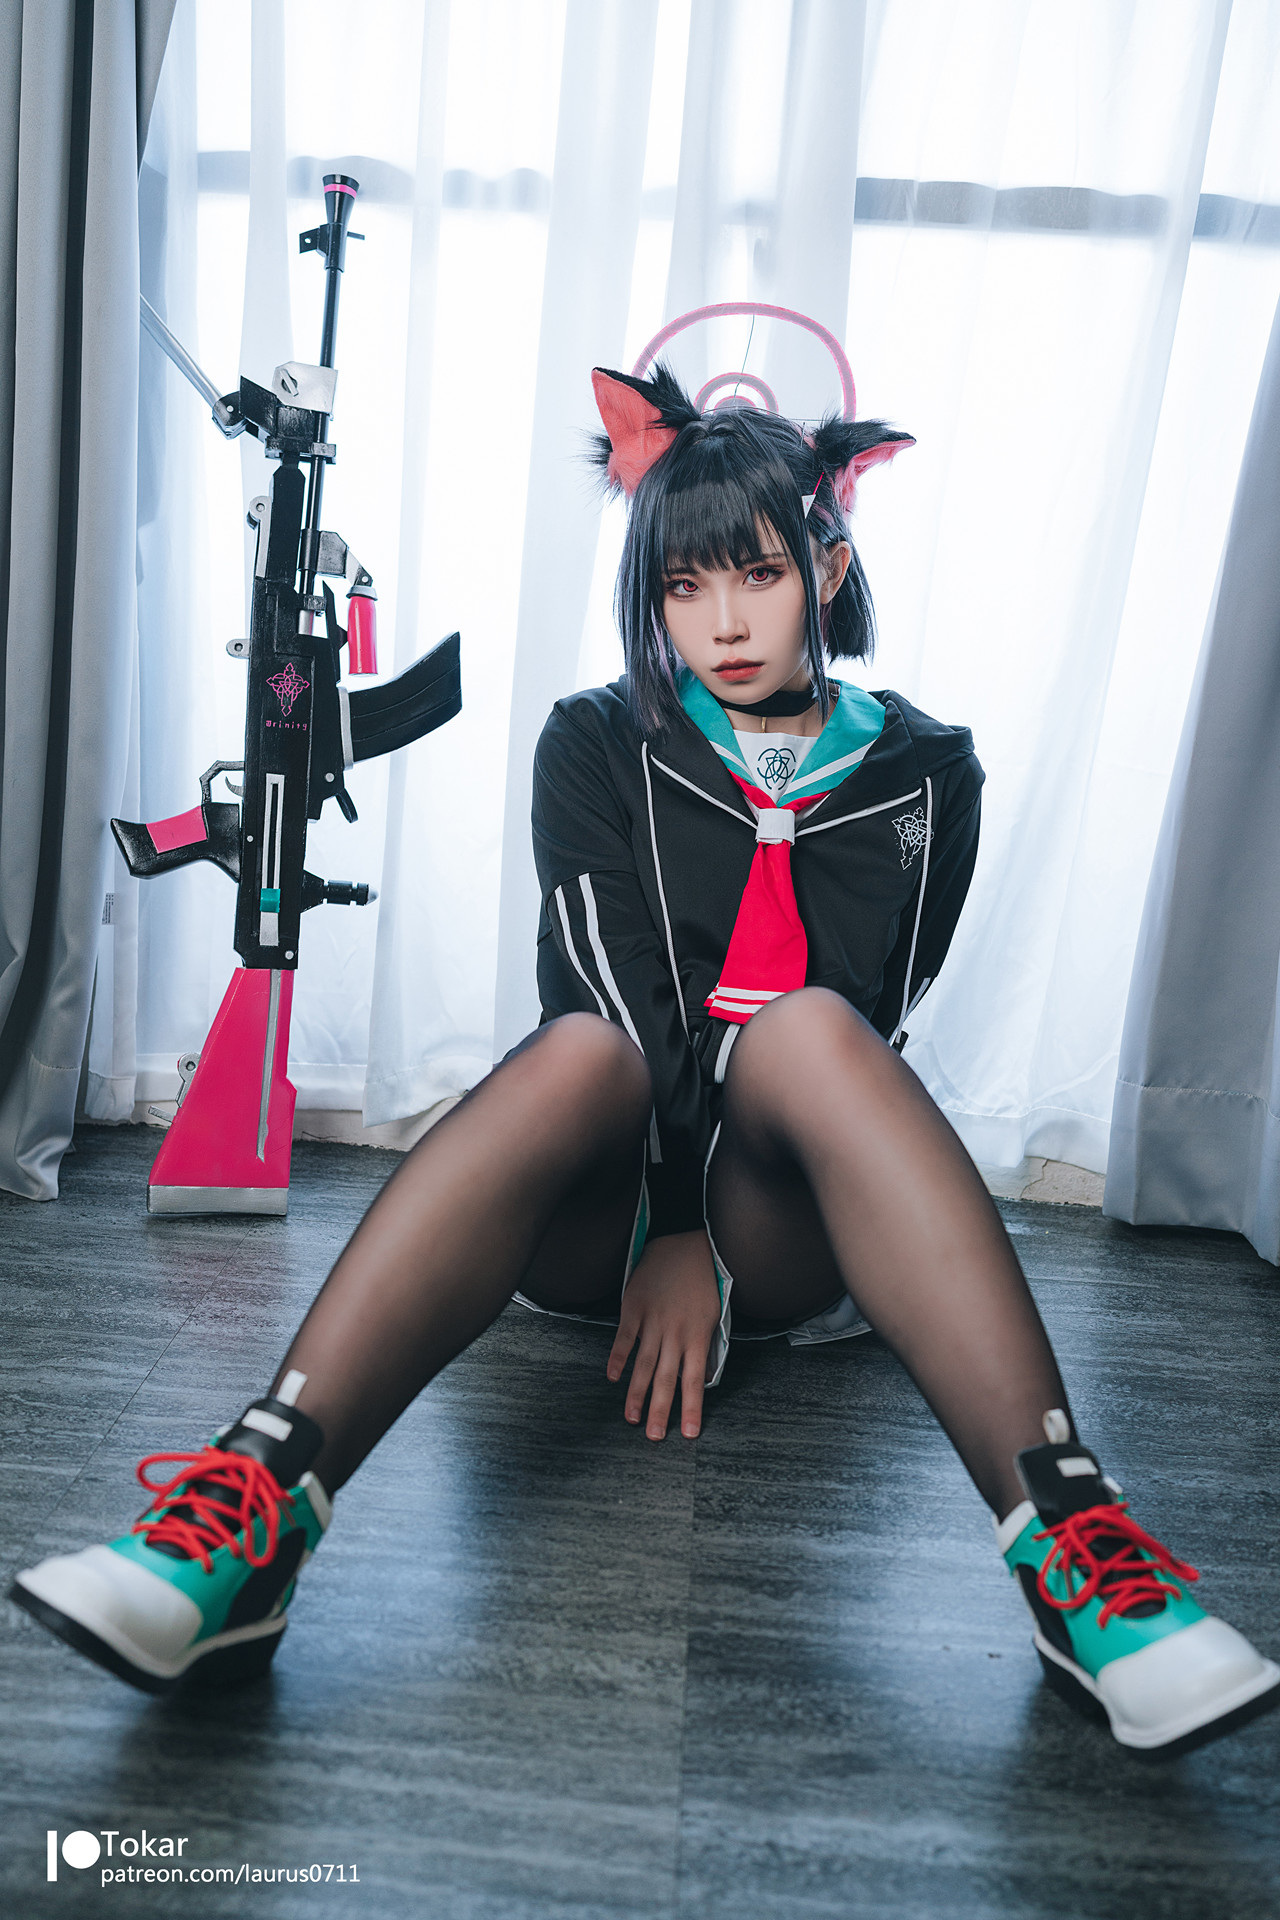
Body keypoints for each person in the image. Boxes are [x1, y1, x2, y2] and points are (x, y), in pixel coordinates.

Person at [13, 360, 1277, 1753]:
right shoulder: (597, 740)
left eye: (759, 574)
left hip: (781, 1226)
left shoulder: (931, 772)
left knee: (812, 1028)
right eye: (684, 586)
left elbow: (876, 1004)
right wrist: (671, 1221)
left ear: (827, 565)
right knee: (579, 1053)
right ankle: (248, 1516)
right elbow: (604, 989)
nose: (723, 622)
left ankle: (1080, 1551)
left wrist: (718, 1232)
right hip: (602, 1208)